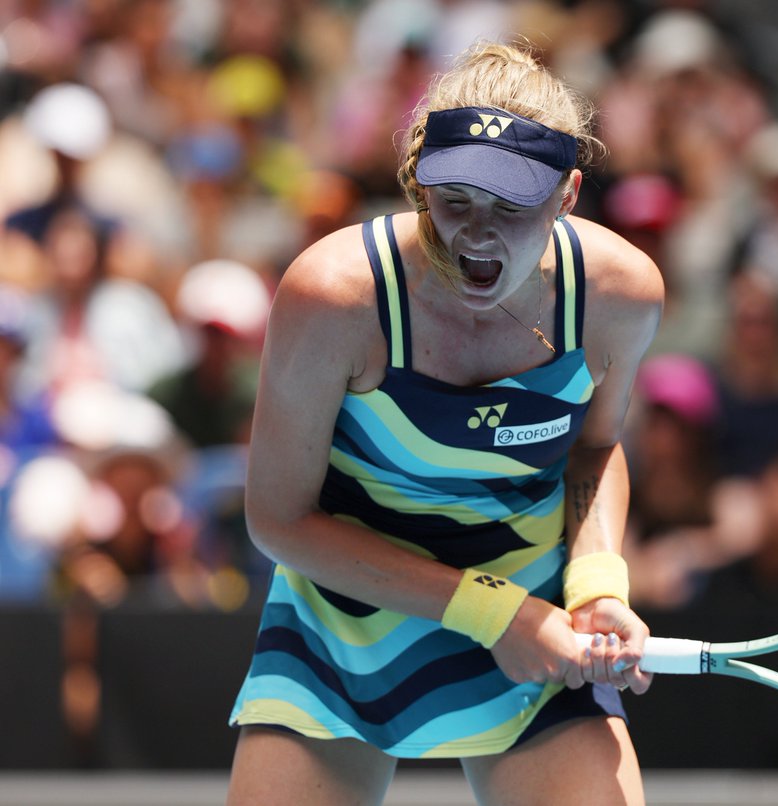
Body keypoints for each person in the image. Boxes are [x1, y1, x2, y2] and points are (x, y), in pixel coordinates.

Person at [226, 43, 664, 806]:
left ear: (568, 195)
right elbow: (279, 520)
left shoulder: (618, 295)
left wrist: (596, 585)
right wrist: (493, 613)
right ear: (417, 182)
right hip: (349, 618)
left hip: (537, 619)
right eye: (453, 199)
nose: (475, 235)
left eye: (511, 205)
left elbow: (593, 447)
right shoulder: (336, 297)